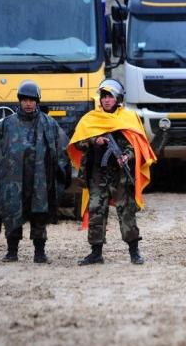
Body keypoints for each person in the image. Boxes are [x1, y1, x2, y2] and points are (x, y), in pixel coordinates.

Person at [68, 79, 156, 265]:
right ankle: (96, 252)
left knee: (127, 212)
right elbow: (77, 142)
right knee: (96, 211)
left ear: (117, 98)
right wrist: (94, 141)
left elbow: (137, 145)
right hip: (97, 175)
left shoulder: (128, 118)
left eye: (110, 97)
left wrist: (127, 156)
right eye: (104, 97)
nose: (107, 100)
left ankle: (134, 251)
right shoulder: (90, 119)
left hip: (120, 176)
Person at [0, 80, 71, 264]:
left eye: (32, 100)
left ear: (37, 101)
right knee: (13, 212)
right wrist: (0, 175)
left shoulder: (49, 124)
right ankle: (12, 251)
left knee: (39, 213)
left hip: (40, 179)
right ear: (19, 101)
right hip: (13, 180)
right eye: (25, 100)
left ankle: (40, 252)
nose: (28, 103)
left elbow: (63, 151)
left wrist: (58, 174)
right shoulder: (7, 124)